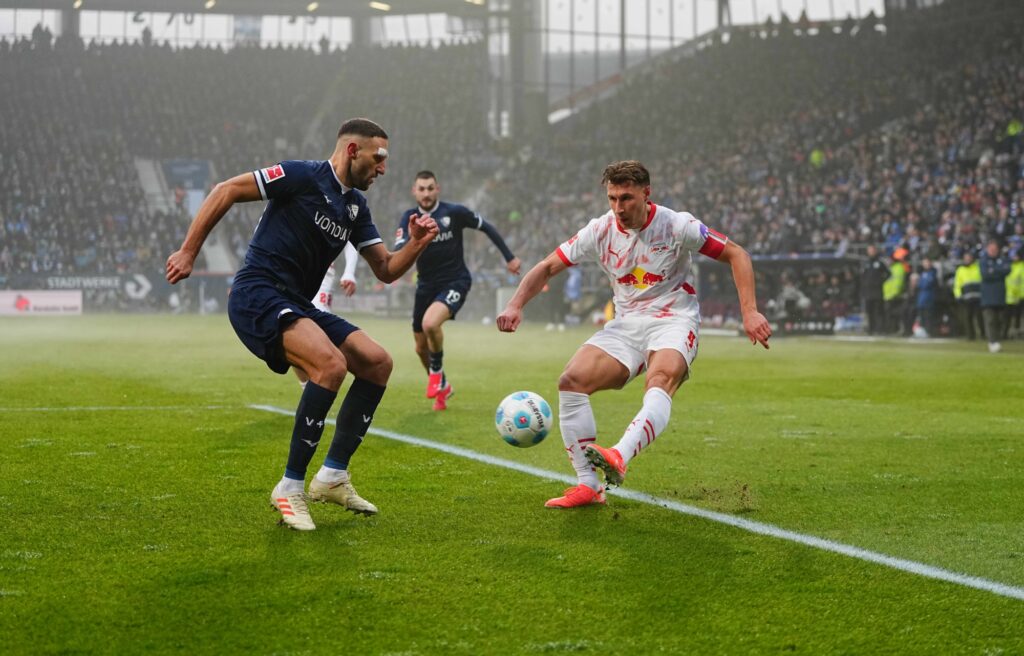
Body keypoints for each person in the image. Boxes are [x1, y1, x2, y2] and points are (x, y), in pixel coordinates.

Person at [166, 118, 439, 531]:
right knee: (330, 366)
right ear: (352, 151)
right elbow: (225, 190)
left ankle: (332, 476)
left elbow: (385, 268)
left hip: (297, 304)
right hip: (257, 294)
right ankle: (289, 487)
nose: (383, 168)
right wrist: (188, 251)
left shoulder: (354, 207)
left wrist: (416, 243)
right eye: (378, 158)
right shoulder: (301, 176)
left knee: (377, 362)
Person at [496, 160, 771, 508]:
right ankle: (588, 485)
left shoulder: (677, 225)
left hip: (674, 319)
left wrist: (749, 311)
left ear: (646, 193)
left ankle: (620, 455)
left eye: (626, 198)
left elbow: (737, 254)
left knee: (660, 379)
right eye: (612, 198)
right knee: (571, 381)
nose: (618, 208)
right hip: (626, 324)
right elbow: (548, 266)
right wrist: (515, 304)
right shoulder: (599, 231)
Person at [395, 170, 521, 411]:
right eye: (421, 189)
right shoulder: (410, 218)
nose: (426, 193)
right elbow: (399, 249)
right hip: (425, 287)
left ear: (437, 189)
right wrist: (412, 240)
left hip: (455, 281)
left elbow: (486, 227)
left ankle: (436, 374)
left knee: (430, 324)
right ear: (414, 191)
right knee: (420, 348)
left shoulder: (454, 212)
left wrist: (509, 257)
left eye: (430, 188)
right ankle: (443, 387)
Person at [293, 242, 359, 388]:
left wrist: (349, 271)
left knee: (318, 334)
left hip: (321, 275)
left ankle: (364, 371)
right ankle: (310, 391)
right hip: (291, 271)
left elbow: (350, 238)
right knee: (291, 328)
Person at [979, 239, 1011, 353]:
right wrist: (998, 272)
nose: (993, 251)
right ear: (987, 249)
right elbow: (985, 274)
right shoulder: (983, 260)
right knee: (990, 320)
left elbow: (1007, 270)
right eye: (991, 249)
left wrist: (993, 270)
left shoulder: (1003, 259)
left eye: (995, 249)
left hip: (1000, 295)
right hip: (987, 296)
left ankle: (997, 339)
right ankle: (993, 341)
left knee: (1001, 319)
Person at [860, 244, 889, 335]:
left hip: (877, 291)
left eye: (872, 250)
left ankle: (879, 329)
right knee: (869, 311)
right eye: (869, 250)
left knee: (878, 311)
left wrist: (880, 282)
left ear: (875, 251)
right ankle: (871, 329)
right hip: (868, 291)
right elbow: (863, 275)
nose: (871, 252)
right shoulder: (866, 263)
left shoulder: (880, 263)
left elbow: (888, 274)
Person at [953, 250, 982, 340]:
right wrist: (958, 296)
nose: (967, 259)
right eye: (966, 258)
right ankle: (970, 335)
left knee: (980, 317)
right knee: (968, 317)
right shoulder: (960, 270)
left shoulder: (978, 268)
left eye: (969, 258)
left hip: (979, 297)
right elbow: (957, 284)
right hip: (966, 298)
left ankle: (983, 334)